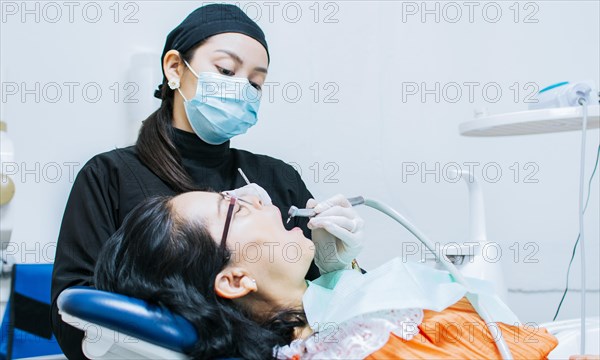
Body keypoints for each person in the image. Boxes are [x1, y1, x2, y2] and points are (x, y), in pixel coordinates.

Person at [51, 4, 363, 359]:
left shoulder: (277, 178)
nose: (242, 88)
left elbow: (331, 304)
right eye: (226, 70)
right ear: (174, 68)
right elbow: (79, 319)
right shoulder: (110, 176)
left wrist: (338, 265)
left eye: (255, 83)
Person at [95, 191, 560, 360]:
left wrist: (342, 271)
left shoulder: (335, 320)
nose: (260, 199)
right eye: (234, 207)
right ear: (235, 281)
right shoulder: (360, 345)